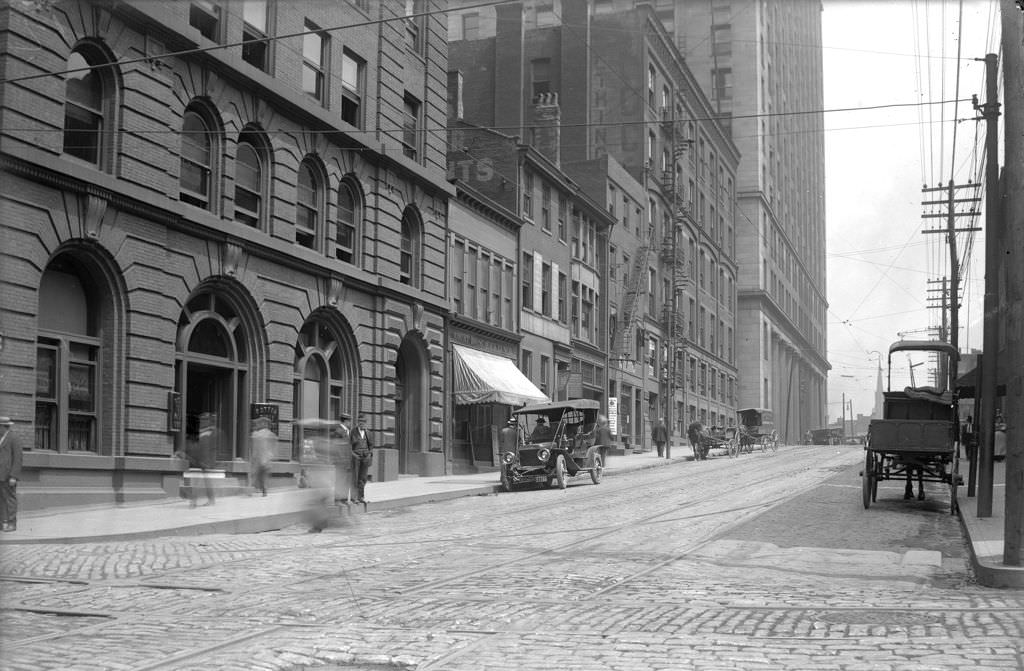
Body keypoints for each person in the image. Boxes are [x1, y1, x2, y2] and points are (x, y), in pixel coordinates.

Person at [188, 412, 218, 507]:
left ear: (209, 421)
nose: (202, 422)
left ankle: (197, 500)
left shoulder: (211, 432)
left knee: (203, 482)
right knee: (200, 481)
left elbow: (213, 449)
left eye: (204, 420)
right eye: (201, 420)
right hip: (199, 461)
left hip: (206, 462)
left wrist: (209, 461)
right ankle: (197, 500)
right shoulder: (202, 432)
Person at [0, 417, 23, 532]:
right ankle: (3, 523)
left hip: (8, 476)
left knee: (10, 500)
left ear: (3, 426)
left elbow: (18, 458)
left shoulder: (14, 438)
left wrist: (14, 476)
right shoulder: (1, 438)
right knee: (1, 500)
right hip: (0, 475)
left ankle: (12, 523)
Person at [249, 416, 276, 497]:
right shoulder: (270, 434)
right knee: (261, 475)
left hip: (261, 458)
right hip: (265, 458)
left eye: (259, 423)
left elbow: (254, 446)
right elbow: (273, 446)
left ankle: (258, 489)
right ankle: (262, 489)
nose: (257, 424)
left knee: (257, 474)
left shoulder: (257, 434)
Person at [350, 415, 373, 504]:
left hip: (365, 458)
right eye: (360, 422)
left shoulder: (369, 433)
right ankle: (354, 497)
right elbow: (350, 445)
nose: (361, 423)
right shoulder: (353, 432)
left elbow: (371, 445)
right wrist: (353, 454)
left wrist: (369, 454)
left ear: (365, 423)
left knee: (363, 478)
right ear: (358, 423)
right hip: (356, 457)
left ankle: (361, 497)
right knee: (355, 477)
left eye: (363, 422)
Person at [333, 414, 352, 501]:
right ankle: (337, 499)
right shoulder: (338, 431)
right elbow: (337, 447)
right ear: (345, 421)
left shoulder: (347, 431)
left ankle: (343, 499)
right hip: (341, 461)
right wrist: (343, 460)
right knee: (340, 480)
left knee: (345, 480)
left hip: (347, 460)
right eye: (349, 421)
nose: (350, 423)